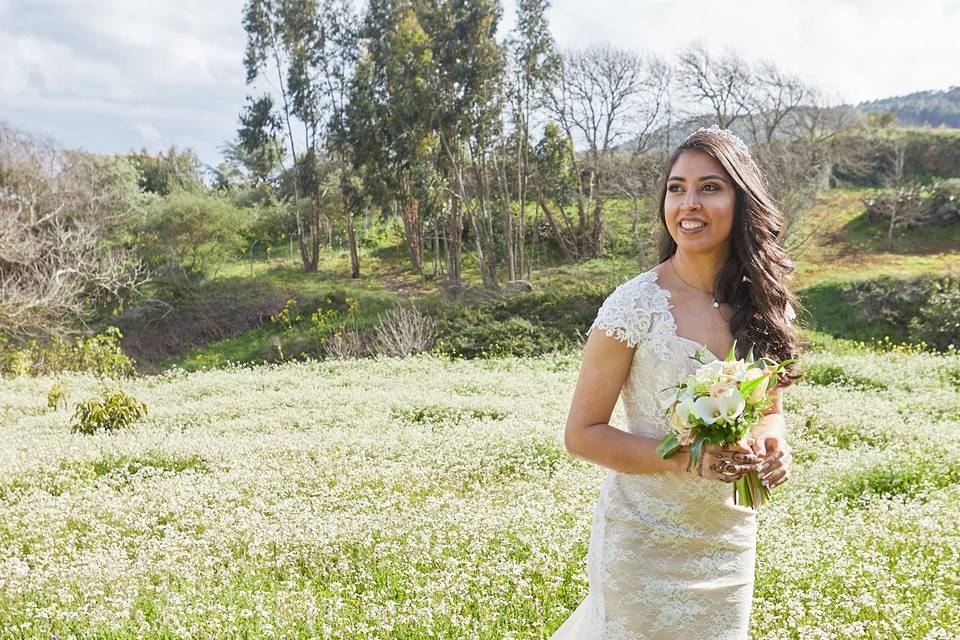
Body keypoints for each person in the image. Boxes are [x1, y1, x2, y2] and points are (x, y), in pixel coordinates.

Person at [549, 125, 804, 639]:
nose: (689, 203)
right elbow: (583, 434)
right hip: (641, 543)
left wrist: (776, 442)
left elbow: (770, 404)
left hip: (726, 541)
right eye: (677, 188)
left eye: (710, 187)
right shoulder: (633, 305)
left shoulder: (762, 303)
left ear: (742, 200)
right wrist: (689, 459)